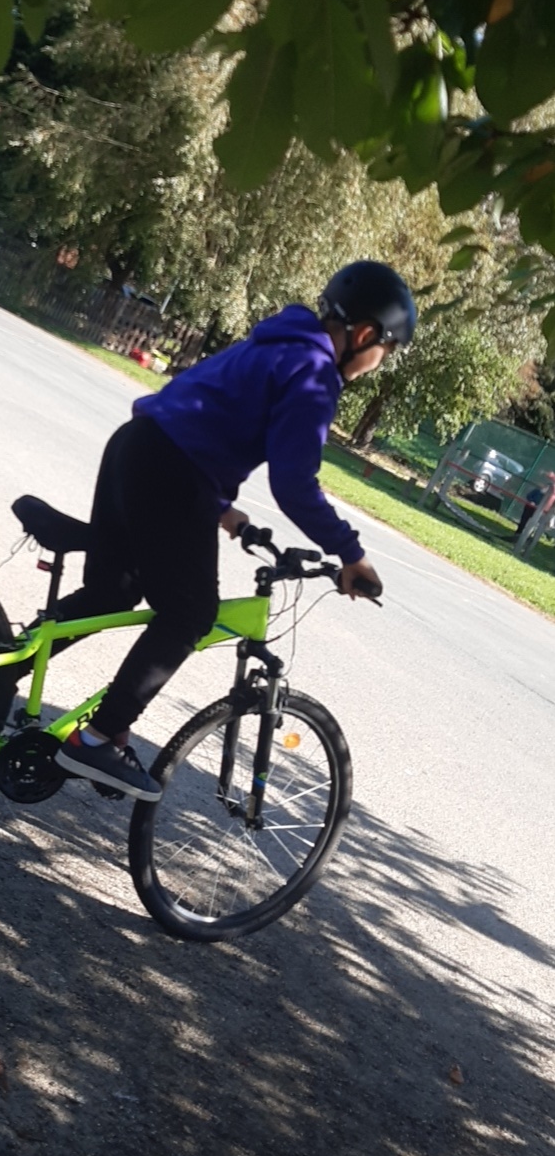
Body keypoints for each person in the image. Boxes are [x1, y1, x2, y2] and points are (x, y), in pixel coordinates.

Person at [52, 261, 417, 801]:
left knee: (115, 590)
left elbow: (208, 408)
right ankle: (100, 738)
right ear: (364, 335)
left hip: (137, 445)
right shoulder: (315, 372)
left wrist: (221, 506)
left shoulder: (277, 339)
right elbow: (295, 483)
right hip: (174, 472)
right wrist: (350, 553)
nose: (375, 364)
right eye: (384, 352)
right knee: (190, 613)